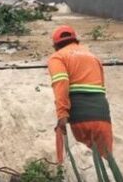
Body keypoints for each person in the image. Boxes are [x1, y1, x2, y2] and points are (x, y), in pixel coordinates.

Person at [47, 24, 113, 156]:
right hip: (102, 116)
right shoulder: (93, 57)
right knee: (106, 163)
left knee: (83, 162)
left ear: (56, 46)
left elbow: (61, 83)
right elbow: (102, 88)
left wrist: (62, 114)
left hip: (80, 117)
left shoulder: (58, 57)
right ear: (76, 41)